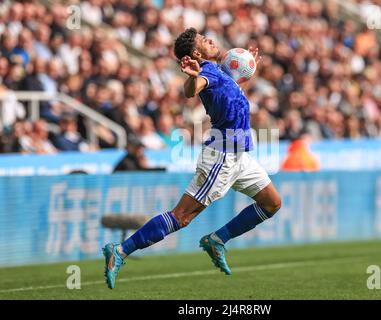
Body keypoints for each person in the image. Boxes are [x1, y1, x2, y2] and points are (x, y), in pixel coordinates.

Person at [102, 27, 282, 289]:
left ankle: (217, 240)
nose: (211, 39)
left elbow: (229, 96)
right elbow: (193, 89)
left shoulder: (221, 74)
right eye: (204, 40)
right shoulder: (207, 71)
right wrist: (192, 77)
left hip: (239, 157)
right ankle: (120, 250)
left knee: (272, 203)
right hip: (221, 157)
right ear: (197, 53)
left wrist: (248, 70)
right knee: (181, 216)